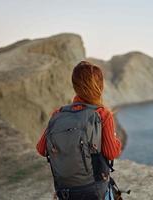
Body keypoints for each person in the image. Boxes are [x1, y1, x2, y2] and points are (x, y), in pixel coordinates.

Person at [36, 61, 122, 200]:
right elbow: (111, 153)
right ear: (100, 86)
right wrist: (116, 141)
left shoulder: (58, 114)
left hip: (65, 191)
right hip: (94, 190)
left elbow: (41, 149)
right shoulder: (103, 114)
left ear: (75, 85)